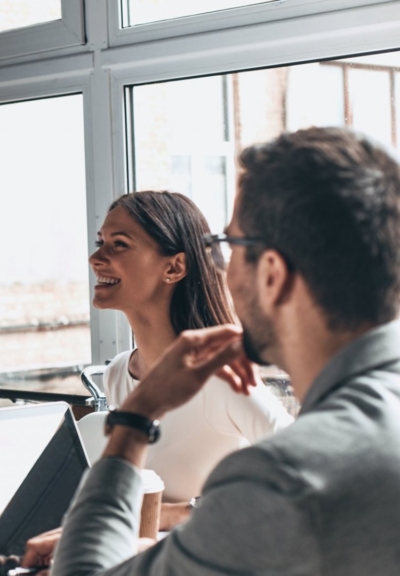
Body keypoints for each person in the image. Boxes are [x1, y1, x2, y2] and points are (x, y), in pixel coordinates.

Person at [24, 127, 400, 575]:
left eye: (230, 246)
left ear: (272, 274)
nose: (219, 265)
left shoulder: (287, 476)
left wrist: (134, 419)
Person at [90, 191, 293, 517]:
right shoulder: (118, 373)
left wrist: (175, 513)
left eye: (119, 244)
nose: (96, 258)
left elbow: (308, 473)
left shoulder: (220, 380)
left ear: (174, 267)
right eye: (100, 242)